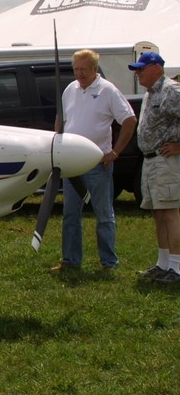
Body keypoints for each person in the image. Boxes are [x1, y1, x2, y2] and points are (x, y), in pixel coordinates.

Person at [52, 49, 136, 273]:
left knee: (103, 214)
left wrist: (115, 152)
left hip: (98, 163)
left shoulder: (107, 90)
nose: (79, 74)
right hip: (72, 163)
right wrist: (57, 141)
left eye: (83, 69)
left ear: (95, 69)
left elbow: (129, 120)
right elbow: (61, 116)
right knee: (70, 214)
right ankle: (70, 260)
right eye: (76, 69)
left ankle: (108, 263)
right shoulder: (70, 89)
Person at [130, 50, 180, 283]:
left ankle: (177, 269)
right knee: (158, 212)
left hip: (166, 160)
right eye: (136, 69)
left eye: (141, 68)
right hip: (150, 159)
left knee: (170, 213)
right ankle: (163, 263)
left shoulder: (171, 90)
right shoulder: (151, 93)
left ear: (156, 68)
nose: (138, 73)